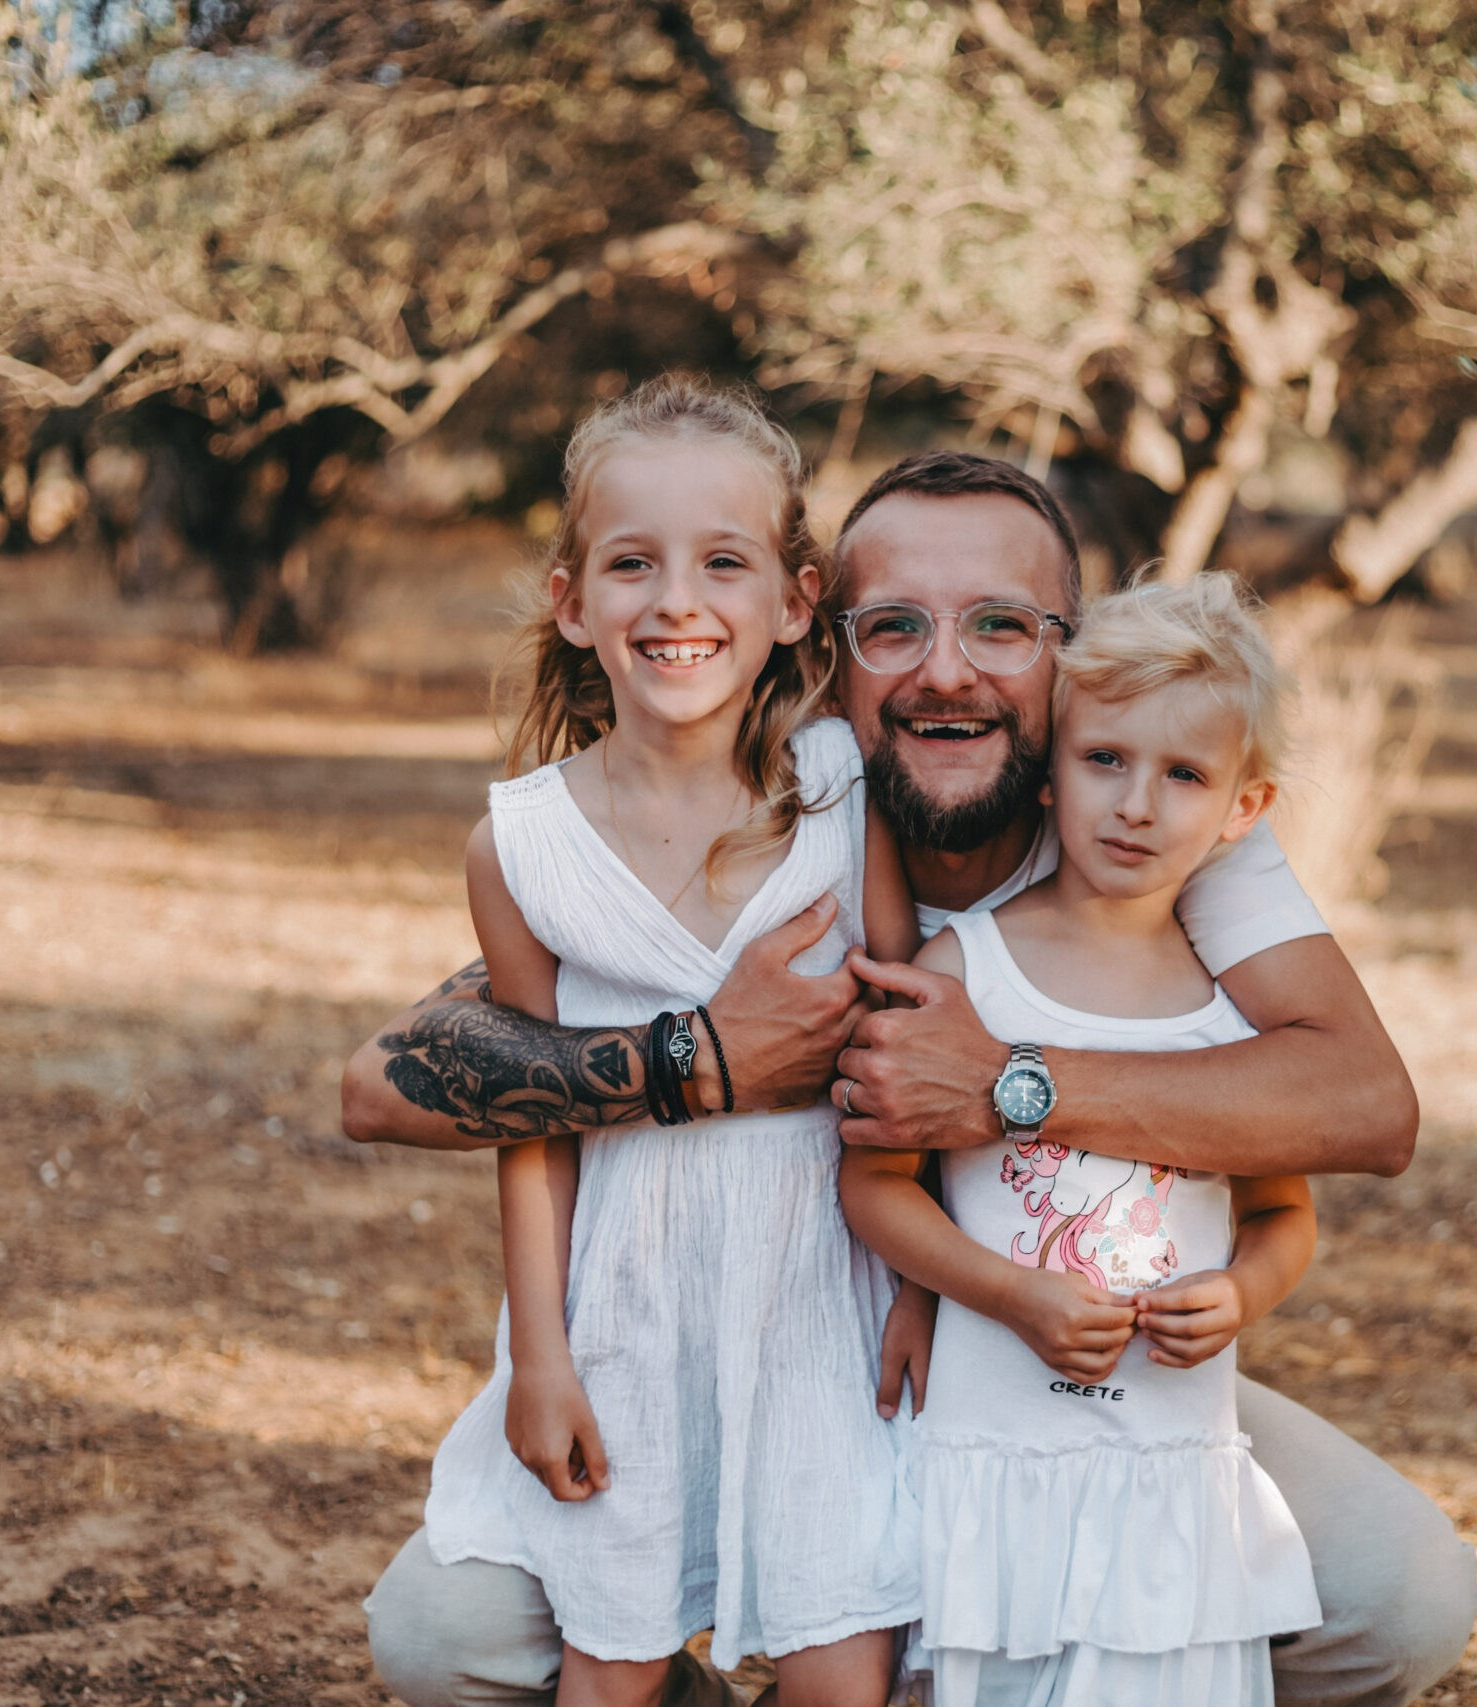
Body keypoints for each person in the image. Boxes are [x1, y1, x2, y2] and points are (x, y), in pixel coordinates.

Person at [348, 451, 1477, 1707]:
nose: (946, 671)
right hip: (742, 1328)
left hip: (1051, 1365)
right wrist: (698, 1057)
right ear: (826, 650)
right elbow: (388, 1083)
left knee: (1396, 1595)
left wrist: (1008, 1084)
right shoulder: (781, 802)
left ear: (1068, 656)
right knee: (446, 1637)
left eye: (1001, 625)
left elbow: (1365, 1107)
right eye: (894, 628)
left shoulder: (1147, 817)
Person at [417, 373, 919, 1707]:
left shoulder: (843, 796)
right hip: (624, 1308)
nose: (677, 601)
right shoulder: (522, 845)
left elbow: (906, 1065)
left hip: (819, 1298)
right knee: (615, 1660)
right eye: (632, 563)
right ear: (572, 601)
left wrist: (920, 1288)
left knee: (839, 1669)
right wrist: (539, 1357)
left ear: (795, 601)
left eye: (723, 562)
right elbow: (531, 1117)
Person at [842, 575, 1323, 1707]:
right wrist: (1010, 1294)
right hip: (996, 1462)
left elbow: (1282, 1214)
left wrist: (1243, 1293)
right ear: (1050, 770)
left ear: (1243, 808)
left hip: (1167, 1481)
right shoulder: (967, 970)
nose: (1137, 805)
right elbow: (875, 1188)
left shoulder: (1234, 1018)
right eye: (1105, 759)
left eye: (1185, 775)